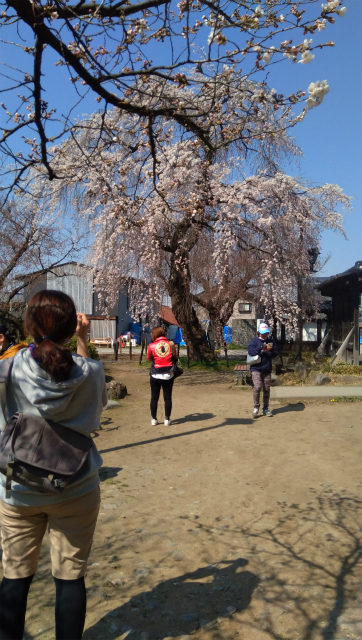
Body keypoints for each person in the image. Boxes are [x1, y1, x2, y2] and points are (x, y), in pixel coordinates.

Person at [0, 290, 107, 640]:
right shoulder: (90, 372)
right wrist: (82, 340)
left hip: (19, 489)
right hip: (76, 486)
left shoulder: (9, 368)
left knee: (14, 576)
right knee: (70, 576)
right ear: (71, 324)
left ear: (29, 326)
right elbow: (95, 412)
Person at [147, 326, 177, 427]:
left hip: (155, 374)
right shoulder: (171, 344)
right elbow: (175, 357)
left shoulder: (151, 346)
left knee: (154, 398)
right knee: (167, 398)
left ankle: (154, 419)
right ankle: (167, 419)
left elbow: (149, 358)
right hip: (168, 374)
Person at [247, 322, 278, 418]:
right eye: (263, 332)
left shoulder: (271, 341)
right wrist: (261, 347)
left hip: (267, 368)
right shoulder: (254, 341)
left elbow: (276, 353)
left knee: (267, 389)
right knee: (257, 387)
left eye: (266, 333)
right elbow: (251, 351)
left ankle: (265, 408)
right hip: (256, 368)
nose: (265, 334)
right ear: (258, 332)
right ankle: (256, 407)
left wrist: (271, 350)